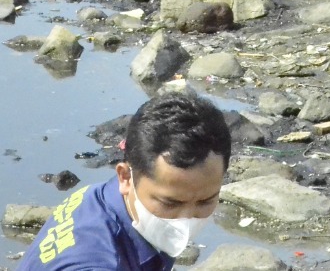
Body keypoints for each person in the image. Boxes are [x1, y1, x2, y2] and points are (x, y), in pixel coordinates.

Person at [17, 91, 232, 271]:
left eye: (205, 201)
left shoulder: (99, 199)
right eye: (170, 203)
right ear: (125, 177)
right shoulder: (97, 263)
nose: (185, 221)